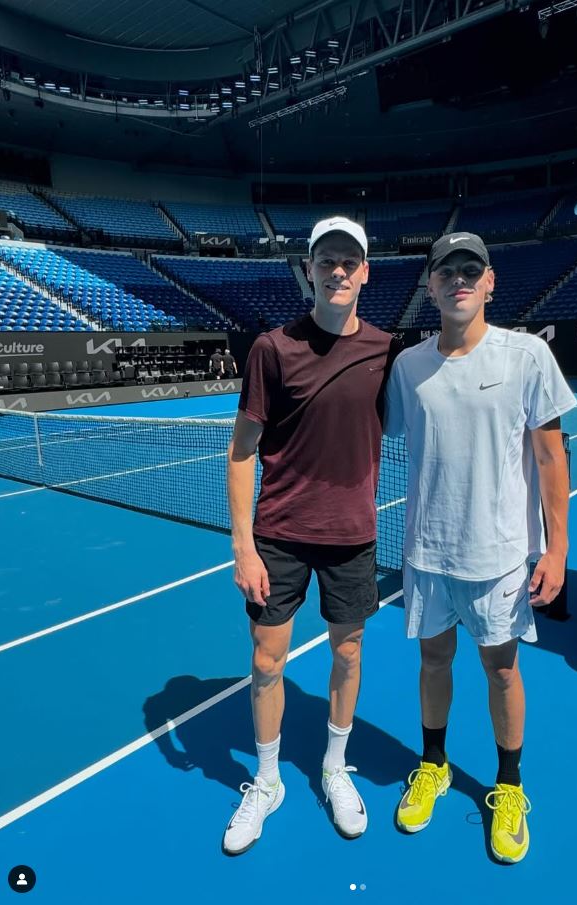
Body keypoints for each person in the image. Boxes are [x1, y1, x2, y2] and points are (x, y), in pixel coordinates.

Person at [385, 232, 577, 863]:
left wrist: (556, 552)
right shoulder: (408, 367)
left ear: (490, 281)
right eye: (447, 271)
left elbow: (551, 456)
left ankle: (509, 785)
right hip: (427, 555)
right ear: (432, 285)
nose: (459, 279)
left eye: (472, 269)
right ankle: (434, 764)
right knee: (434, 663)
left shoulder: (526, 356)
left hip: (497, 559)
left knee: (502, 670)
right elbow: (366, 434)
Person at [224, 216, 396, 855]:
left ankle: (332, 767)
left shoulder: (387, 352)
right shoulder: (272, 349)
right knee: (267, 660)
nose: (339, 271)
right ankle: (267, 782)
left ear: (366, 272)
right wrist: (243, 545)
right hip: (279, 538)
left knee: (347, 655)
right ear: (310, 270)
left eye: (350, 261)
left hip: (352, 536)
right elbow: (242, 452)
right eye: (327, 260)